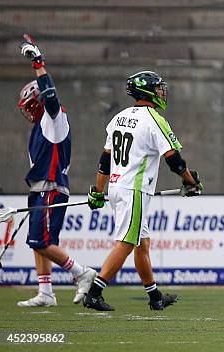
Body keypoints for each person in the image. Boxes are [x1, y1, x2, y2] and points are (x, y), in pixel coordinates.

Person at [84, 71, 203, 311]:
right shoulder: (153, 119)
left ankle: (155, 297)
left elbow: (105, 160)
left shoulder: (119, 117)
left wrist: (98, 190)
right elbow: (174, 160)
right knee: (126, 244)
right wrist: (190, 181)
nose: (162, 92)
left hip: (117, 189)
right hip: (134, 190)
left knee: (142, 244)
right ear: (147, 91)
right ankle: (94, 293)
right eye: (158, 88)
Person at [16, 35, 96, 307]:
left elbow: (50, 95)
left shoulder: (54, 119)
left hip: (51, 188)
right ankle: (46, 292)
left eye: (30, 106)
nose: (28, 112)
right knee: (37, 242)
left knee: (41, 241)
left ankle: (82, 273)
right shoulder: (40, 127)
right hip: (39, 188)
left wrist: (38, 63)